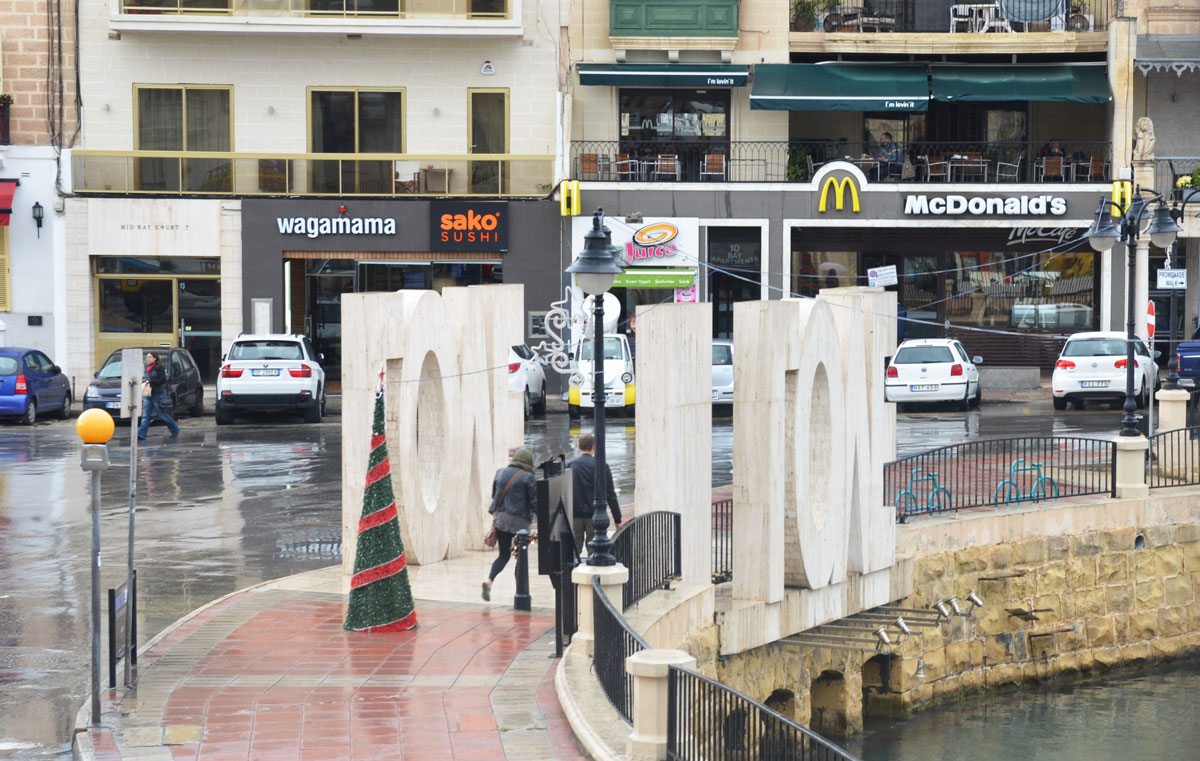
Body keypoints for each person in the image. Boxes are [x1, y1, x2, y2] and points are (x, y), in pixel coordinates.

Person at [482, 448, 537, 601]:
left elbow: (494, 495)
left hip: (502, 522)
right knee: (521, 557)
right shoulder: (528, 477)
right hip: (521, 525)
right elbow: (535, 502)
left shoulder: (500, 473)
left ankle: (489, 581)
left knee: (504, 555)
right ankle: (520, 592)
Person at [566, 433, 623, 556]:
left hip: (575, 514)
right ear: (594, 447)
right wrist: (617, 519)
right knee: (595, 550)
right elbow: (610, 494)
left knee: (574, 550)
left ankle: (573, 567)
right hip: (595, 515)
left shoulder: (570, 466)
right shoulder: (601, 466)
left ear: (579, 446)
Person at [138, 351, 180, 441]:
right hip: (147, 394)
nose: (147, 359)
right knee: (145, 416)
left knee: (162, 415)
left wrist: (151, 381)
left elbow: (163, 380)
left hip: (157, 394)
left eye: (149, 357)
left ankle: (175, 430)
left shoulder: (159, 368)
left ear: (155, 358)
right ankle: (141, 435)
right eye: (147, 357)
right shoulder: (147, 368)